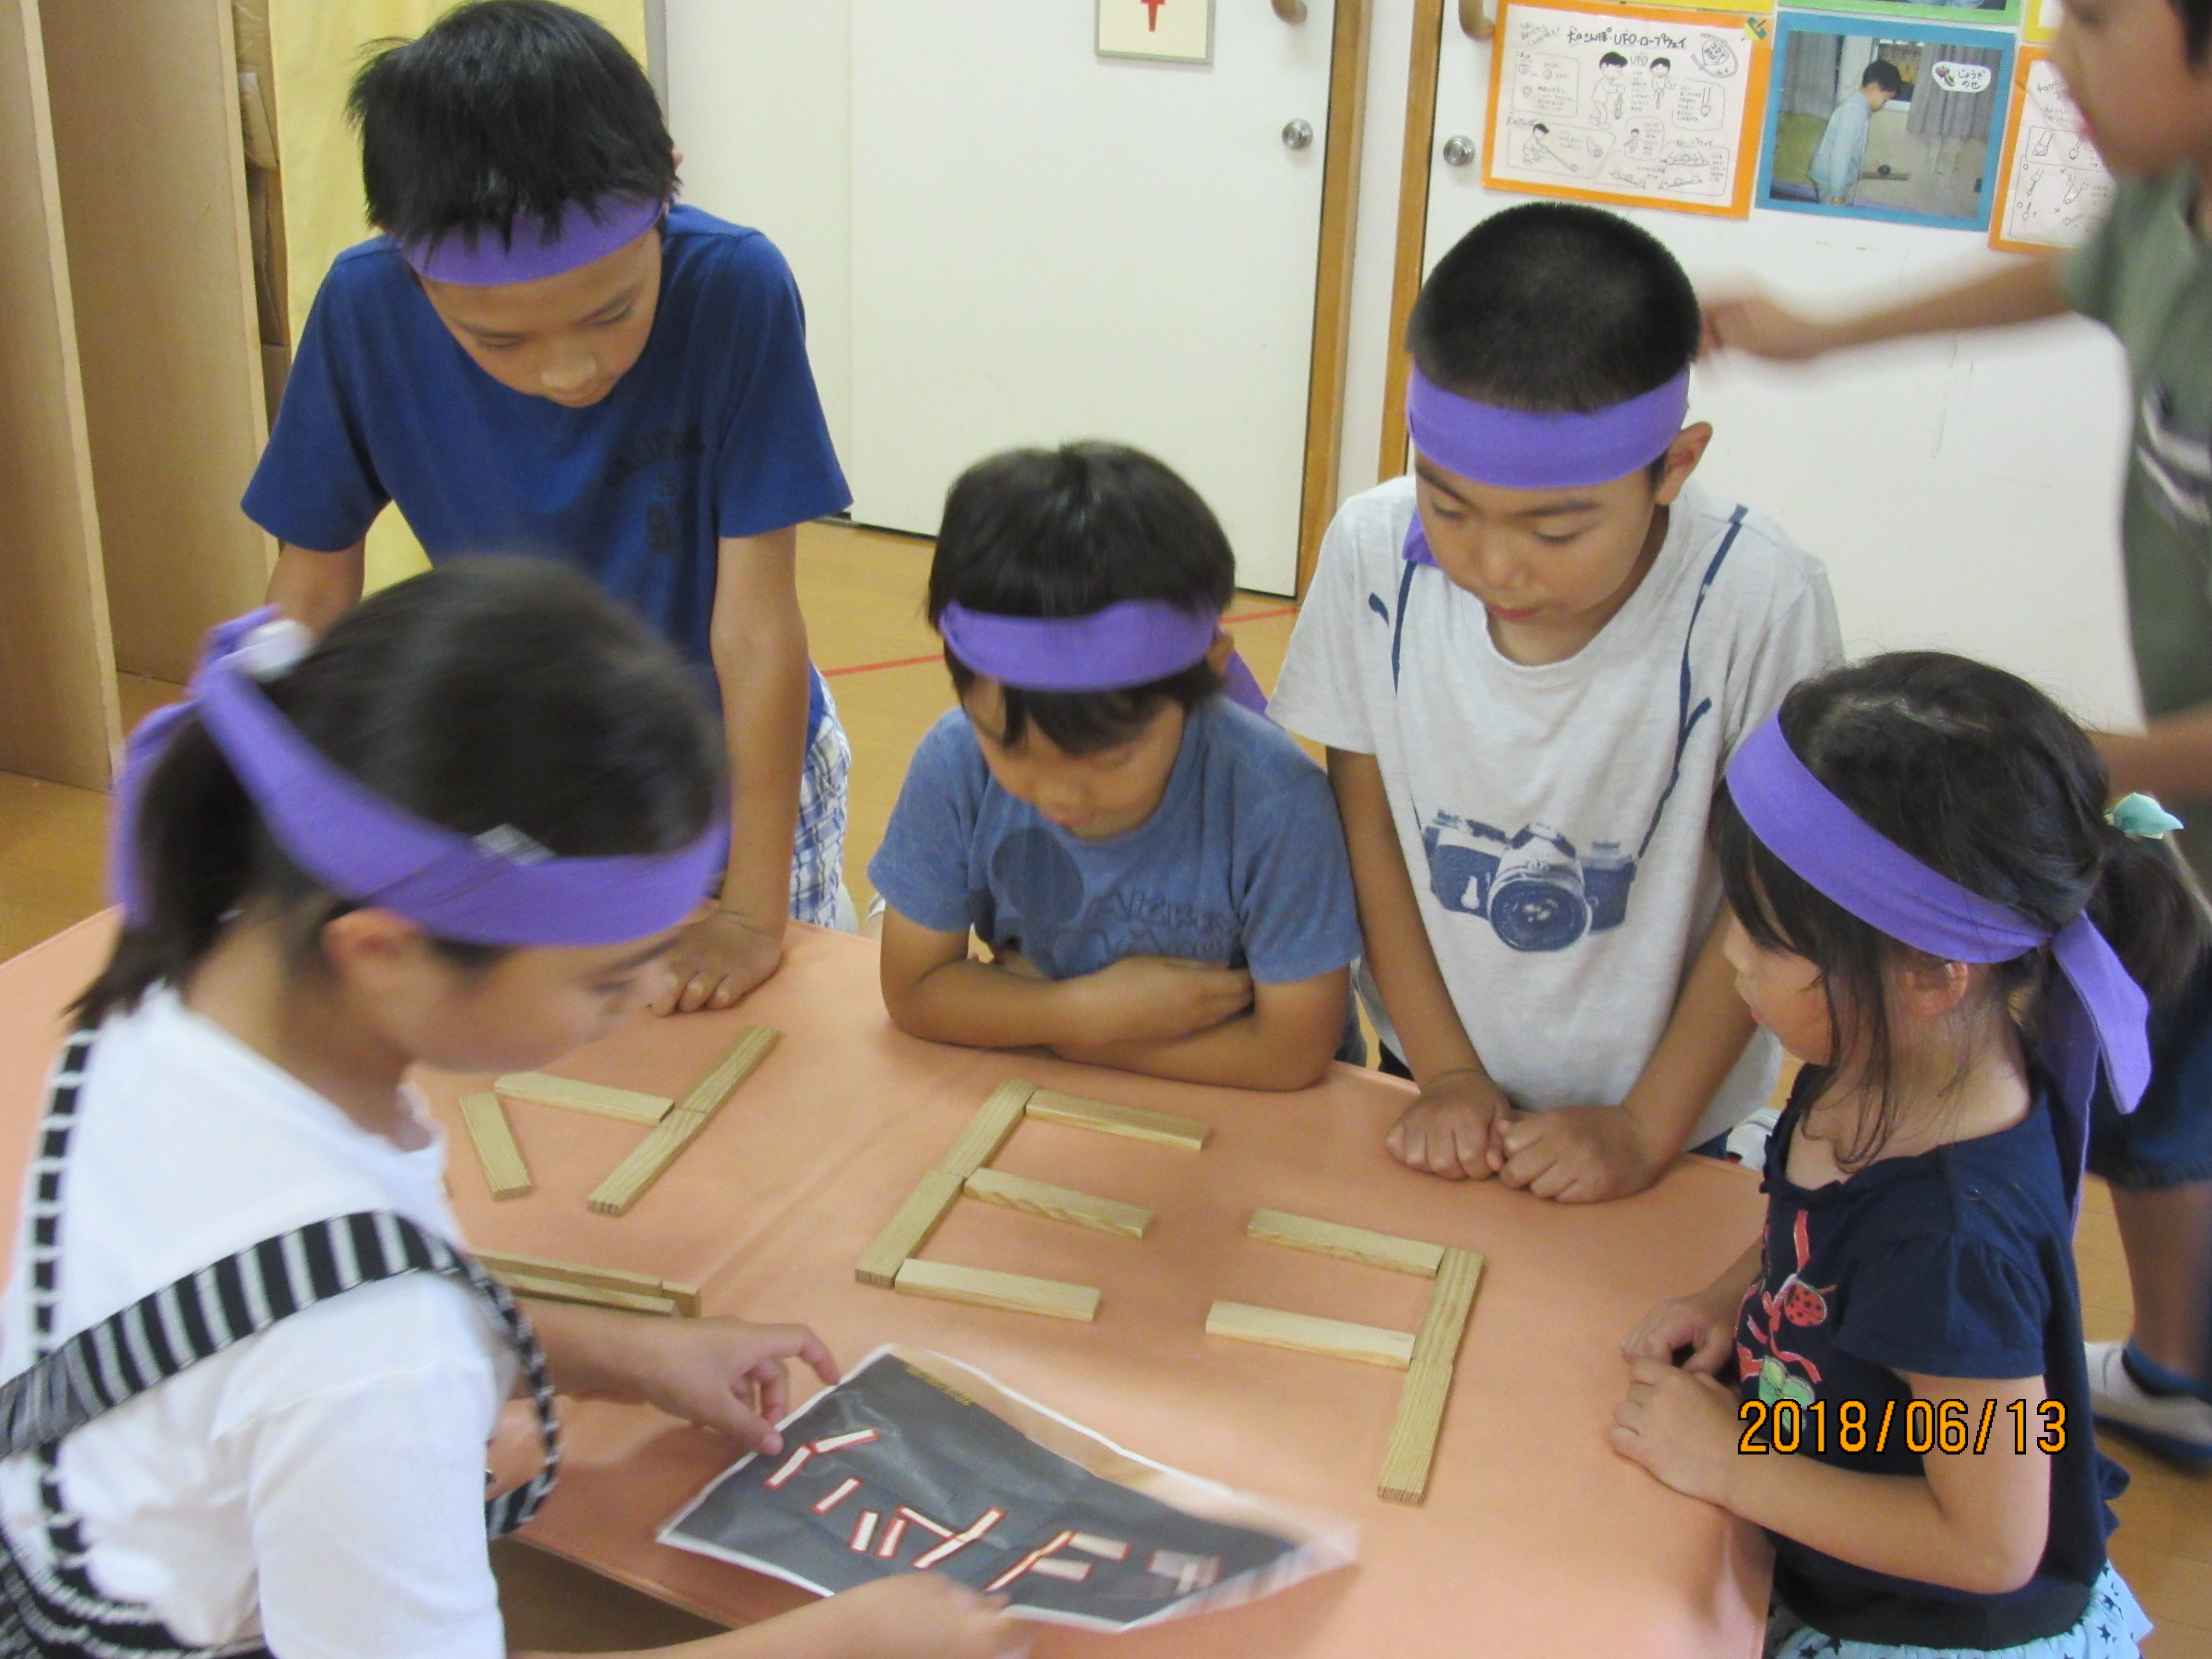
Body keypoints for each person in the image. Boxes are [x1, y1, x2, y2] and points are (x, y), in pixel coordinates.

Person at [0, 559, 1020, 1659]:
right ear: (383, 949)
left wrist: (627, 1354)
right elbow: (338, 1338)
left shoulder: (174, 992)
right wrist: (843, 1645)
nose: (648, 994)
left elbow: (237, 1323)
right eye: (605, 978)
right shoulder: (373, 1354)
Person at [1702, 0, 2212, 1460]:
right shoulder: (2171, 201)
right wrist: (1822, 335)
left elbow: (1993, 1531)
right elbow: (2079, 275)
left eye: (2098, 18)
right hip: (2170, 778)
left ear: (1932, 972)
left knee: (2169, 1060)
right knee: (2164, 1055)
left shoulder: (1958, 1219)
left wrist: (2054, 766)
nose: (2055, 53)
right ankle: (2179, 1372)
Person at [242, 0, 852, 1022]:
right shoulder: (364, 309)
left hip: (728, 764)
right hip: (512, 763)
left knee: (764, 1040)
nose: (570, 369)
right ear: (408, 260)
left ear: (667, 185)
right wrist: (269, 838)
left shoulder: (734, 291)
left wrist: (752, 915)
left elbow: (754, 629)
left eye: (612, 313)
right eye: (498, 342)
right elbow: (308, 595)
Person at [1614, 652, 2202, 1658]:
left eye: (1766, 934)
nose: (1732, 954)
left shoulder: (1951, 1241)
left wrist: (1727, 1465)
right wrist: (1730, 1301)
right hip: (1830, 1514)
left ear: (1930, 974)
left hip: (1919, 1629)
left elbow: (1991, 1544)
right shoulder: (1874, 1058)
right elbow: (1817, 1231)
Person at [1269, 203, 1840, 1199]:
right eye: (1449, 506)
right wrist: (1447, 1073)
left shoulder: (1759, 599)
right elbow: (1369, 827)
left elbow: (1767, 895)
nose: (1495, 565)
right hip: (1430, 1069)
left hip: (1668, 1112)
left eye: (1555, 532)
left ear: (1674, 466)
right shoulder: (1371, 549)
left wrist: (1645, 1127)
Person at [869, 444, 1363, 1092]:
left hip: (1255, 1113)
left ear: (1207, 673)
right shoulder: (956, 761)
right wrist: (1082, 1014)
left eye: (1108, 758)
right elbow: (914, 990)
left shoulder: (1277, 805)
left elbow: (1290, 1055)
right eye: (1009, 747)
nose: (1058, 796)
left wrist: (1068, 1033)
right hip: (1060, 1095)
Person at [1808, 61, 1905, 207]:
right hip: (1831, 180)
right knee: (1835, 217)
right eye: (1885, 100)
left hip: (1833, 178)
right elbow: (1840, 155)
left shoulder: (1858, 109)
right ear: (1875, 87)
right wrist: (1837, 194)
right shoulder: (1854, 112)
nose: (1883, 105)